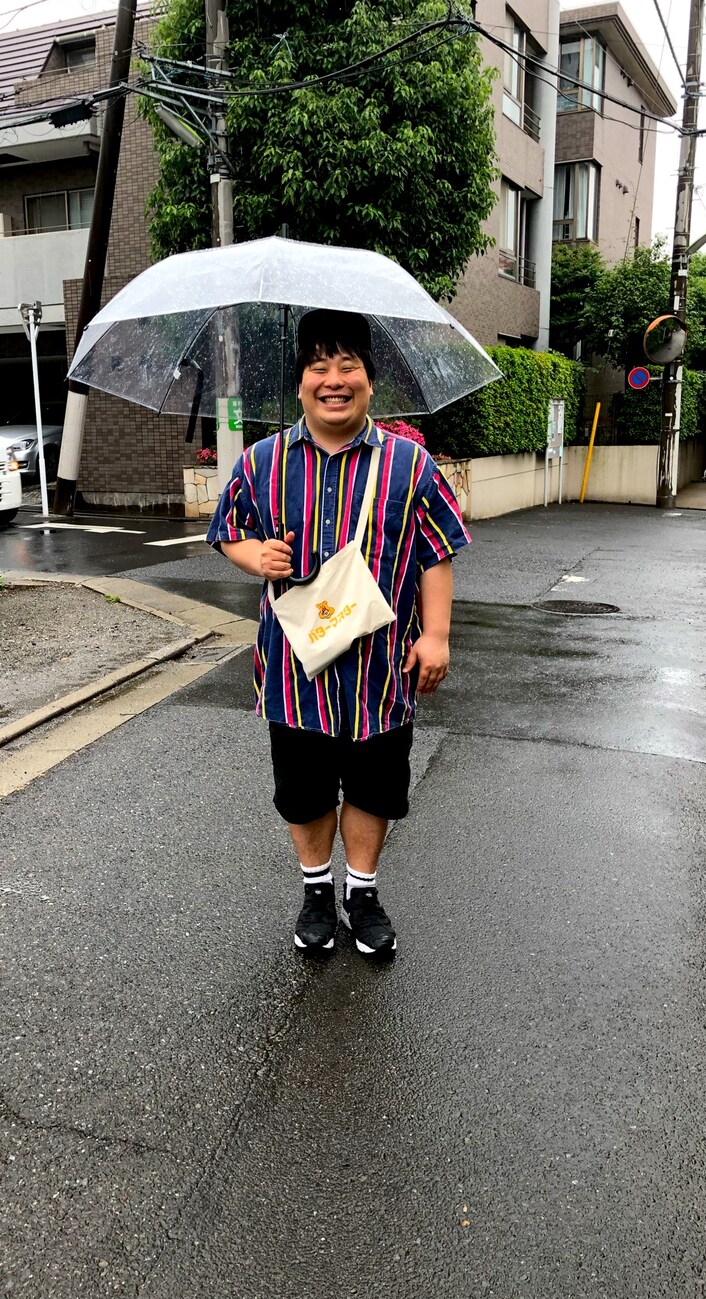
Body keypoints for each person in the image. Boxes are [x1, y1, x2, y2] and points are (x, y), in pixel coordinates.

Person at [207, 308, 470, 957]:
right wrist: (256, 557)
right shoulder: (262, 462)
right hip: (293, 672)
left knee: (375, 789)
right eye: (318, 366)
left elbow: (437, 553)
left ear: (369, 379)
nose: (333, 379)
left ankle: (363, 891)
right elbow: (228, 531)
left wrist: (436, 635)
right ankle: (317, 890)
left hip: (382, 671)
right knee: (303, 793)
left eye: (347, 365)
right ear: (300, 382)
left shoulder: (410, 465)